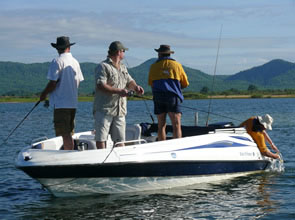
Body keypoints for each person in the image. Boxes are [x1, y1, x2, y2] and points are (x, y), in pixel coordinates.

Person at [93, 41, 144, 149]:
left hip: (120, 110)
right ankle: (102, 161)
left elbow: (130, 82)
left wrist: (136, 88)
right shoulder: (103, 66)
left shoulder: (123, 67)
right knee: (101, 138)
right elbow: (100, 85)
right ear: (118, 52)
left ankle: (119, 161)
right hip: (104, 109)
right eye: (123, 51)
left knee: (120, 140)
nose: (124, 53)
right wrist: (119, 91)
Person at [40, 36, 84, 150]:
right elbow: (78, 82)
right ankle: (70, 154)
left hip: (61, 104)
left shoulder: (57, 61)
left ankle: (68, 157)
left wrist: (43, 94)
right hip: (73, 103)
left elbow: (53, 83)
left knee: (63, 134)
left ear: (57, 48)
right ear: (68, 47)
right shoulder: (75, 62)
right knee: (69, 132)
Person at [148, 45, 189, 141]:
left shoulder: (153, 66)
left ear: (159, 54)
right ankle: (177, 147)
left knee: (161, 124)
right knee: (176, 124)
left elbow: (151, 83)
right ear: (169, 53)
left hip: (158, 97)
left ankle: (162, 146)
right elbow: (185, 83)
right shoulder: (177, 65)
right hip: (173, 97)